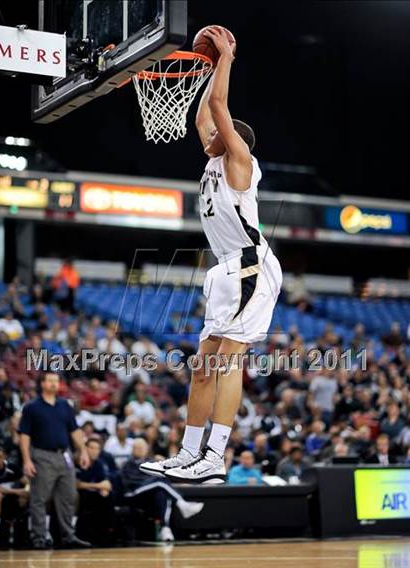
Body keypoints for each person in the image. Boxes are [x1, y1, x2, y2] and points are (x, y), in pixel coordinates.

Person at [140, 26, 282, 484]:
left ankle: (215, 457)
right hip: (225, 268)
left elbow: (218, 110)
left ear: (232, 137)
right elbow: (205, 113)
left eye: (219, 133)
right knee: (203, 368)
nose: (210, 133)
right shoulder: (211, 159)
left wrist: (226, 60)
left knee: (227, 361)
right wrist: (205, 67)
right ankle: (188, 452)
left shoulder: (240, 159)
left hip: (250, 263)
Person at [18, 372, 91, 549]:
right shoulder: (31, 407)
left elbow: (75, 431)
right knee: (39, 499)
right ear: (42, 384)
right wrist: (27, 460)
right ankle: (39, 538)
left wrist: (83, 451)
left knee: (68, 497)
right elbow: (25, 436)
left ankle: (68, 536)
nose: (53, 384)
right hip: (42, 455)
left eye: (56, 381)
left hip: (64, 455)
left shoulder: (65, 405)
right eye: (50, 381)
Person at [121, 439, 204, 542]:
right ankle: (182, 503)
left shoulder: (150, 462)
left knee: (162, 494)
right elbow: (130, 482)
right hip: (133, 492)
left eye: (141, 447)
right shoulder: (128, 464)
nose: (139, 450)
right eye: (136, 447)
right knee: (159, 480)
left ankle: (165, 528)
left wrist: (162, 463)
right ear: (132, 449)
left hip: (150, 493)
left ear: (147, 449)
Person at [75, 438, 114, 545]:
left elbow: (107, 484)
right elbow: (76, 484)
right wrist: (97, 486)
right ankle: (81, 535)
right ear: (85, 449)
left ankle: (105, 535)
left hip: (93, 493)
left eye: (97, 449)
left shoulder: (100, 464)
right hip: (78, 494)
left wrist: (102, 488)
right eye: (92, 448)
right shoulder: (77, 461)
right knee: (88, 497)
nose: (95, 451)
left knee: (107, 495)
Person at [0, 446, 29, 548]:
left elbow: (28, 482)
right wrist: (17, 491)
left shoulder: (13, 467)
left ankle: (25, 534)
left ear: (4, 457)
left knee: (24, 497)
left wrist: (26, 491)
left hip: (11, 498)